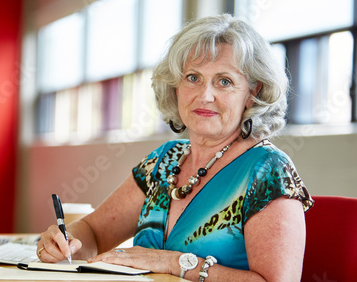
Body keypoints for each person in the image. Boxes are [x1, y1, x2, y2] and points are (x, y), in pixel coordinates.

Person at [37, 14, 314, 281]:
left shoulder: (268, 169)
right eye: (193, 77)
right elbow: (94, 233)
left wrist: (173, 262)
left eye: (224, 81)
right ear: (175, 86)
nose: (205, 95)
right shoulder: (164, 160)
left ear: (252, 94)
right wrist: (67, 241)